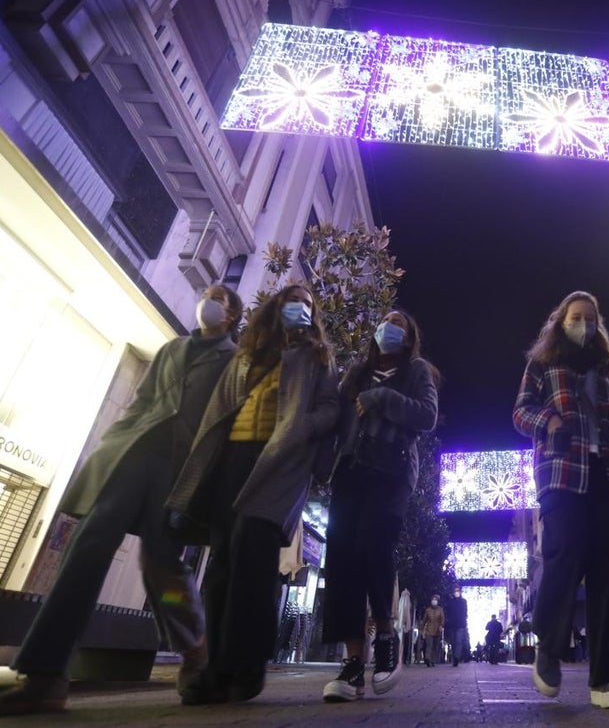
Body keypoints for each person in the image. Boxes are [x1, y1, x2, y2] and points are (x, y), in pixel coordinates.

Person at [0, 285, 243, 717]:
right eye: (206, 294)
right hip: (132, 455)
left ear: (231, 316)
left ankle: (195, 649)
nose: (207, 301)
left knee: (160, 562)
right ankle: (44, 675)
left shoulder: (234, 361)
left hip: (180, 470)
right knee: (88, 543)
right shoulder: (173, 348)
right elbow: (143, 401)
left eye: (219, 298)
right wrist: (113, 441)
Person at [166, 284, 341, 705]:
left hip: (279, 463)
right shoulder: (248, 352)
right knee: (224, 561)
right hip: (231, 460)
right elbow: (220, 408)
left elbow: (331, 409)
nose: (298, 308)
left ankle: (246, 666)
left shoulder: (317, 357)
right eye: (290, 301)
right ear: (275, 308)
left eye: (306, 304)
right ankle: (216, 669)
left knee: (254, 553)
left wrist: (303, 429)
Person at [513, 291, 609, 710]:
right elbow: (521, 412)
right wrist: (549, 421)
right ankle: (548, 646)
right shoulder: (543, 364)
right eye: (576, 317)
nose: (584, 323)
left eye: (590, 317)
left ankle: (606, 679)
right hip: (562, 474)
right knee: (562, 558)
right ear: (560, 321)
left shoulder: (605, 369)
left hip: (605, 477)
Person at [321, 309, 439, 702]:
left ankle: (387, 639)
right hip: (351, 472)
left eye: (399, 324)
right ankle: (354, 661)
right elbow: (335, 420)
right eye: (386, 321)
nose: (389, 327)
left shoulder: (417, 370)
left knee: (374, 547)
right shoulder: (355, 373)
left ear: (408, 338)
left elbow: (427, 415)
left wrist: (381, 398)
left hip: (391, 473)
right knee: (341, 560)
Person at [444, 585, 469, 666]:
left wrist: (464, 622)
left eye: (458, 590)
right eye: (455, 591)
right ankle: (455, 656)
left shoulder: (463, 601)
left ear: (460, 592)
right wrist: (448, 621)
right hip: (452, 625)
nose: (456, 592)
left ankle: (456, 657)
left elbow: (465, 613)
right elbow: (447, 612)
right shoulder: (450, 601)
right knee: (453, 642)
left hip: (461, 625)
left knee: (458, 641)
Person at [420, 595, 445, 667]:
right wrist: (421, 629)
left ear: (437, 601)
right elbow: (424, 620)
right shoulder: (428, 610)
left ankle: (433, 661)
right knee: (429, 645)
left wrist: (441, 625)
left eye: (435, 599)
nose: (434, 601)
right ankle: (427, 658)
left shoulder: (440, 609)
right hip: (429, 630)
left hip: (438, 630)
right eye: (433, 599)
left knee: (435, 646)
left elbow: (442, 619)